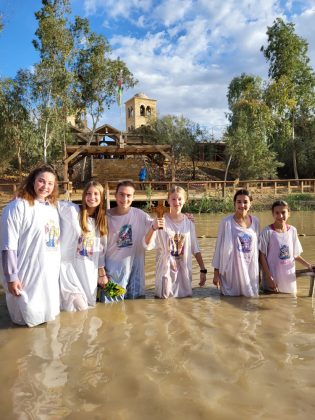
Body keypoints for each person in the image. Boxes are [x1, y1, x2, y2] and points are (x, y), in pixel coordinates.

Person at [0, 165, 61, 327]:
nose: (45, 186)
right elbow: (8, 245)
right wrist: (11, 277)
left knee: (47, 323)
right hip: (25, 275)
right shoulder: (17, 207)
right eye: (41, 181)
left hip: (48, 276)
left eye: (50, 183)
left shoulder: (52, 209)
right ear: (32, 181)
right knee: (24, 321)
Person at [145, 186, 207, 298]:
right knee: (165, 303)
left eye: (179, 199)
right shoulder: (160, 220)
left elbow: (195, 248)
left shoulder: (189, 222)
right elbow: (147, 244)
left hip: (184, 271)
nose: (176, 202)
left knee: (185, 304)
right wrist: (153, 228)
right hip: (165, 270)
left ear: (184, 200)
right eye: (173, 199)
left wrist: (203, 270)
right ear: (168, 200)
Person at [58, 181, 107, 311]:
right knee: (78, 308)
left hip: (88, 272)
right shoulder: (71, 210)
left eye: (96, 194)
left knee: (87, 310)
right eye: (88, 193)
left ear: (101, 197)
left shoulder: (100, 222)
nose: (92, 197)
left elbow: (100, 251)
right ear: (84, 195)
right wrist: (24, 197)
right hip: (68, 270)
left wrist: (102, 274)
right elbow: (48, 203)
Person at [104, 180, 153, 299]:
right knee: (112, 307)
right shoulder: (105, 217)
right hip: (112, 271)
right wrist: (101, 272)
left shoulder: (141, 216)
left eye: (128, 195)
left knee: (135, 307)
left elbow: (162, 226)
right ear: (115, 195)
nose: (125, 199)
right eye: (121, 194)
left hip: (134, 270)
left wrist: (183, 218)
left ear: (133, 197)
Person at [259, 200, 314, 294]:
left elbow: (295, 255)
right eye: (277, 213)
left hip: (289, 278)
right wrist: (269, 277)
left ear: (289, 213)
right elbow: (262, 256)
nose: (280, 216)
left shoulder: (292, 230)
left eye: (283, 212)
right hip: (273, 280)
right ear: (273, 214)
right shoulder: (267, 232)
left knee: (290, 304)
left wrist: (308, 265)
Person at [212, 189, 260, 297]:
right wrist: (216, 274)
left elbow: (257, 249)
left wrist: (260, 273)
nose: (242, 205)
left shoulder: (255, 221)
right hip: (232, 271)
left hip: (250, 269)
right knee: (230, 300)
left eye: (245, 202)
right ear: (234, 203)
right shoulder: (226, 222)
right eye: (239, 202)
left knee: (251, 300)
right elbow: (219, 248)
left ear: (250, 203)